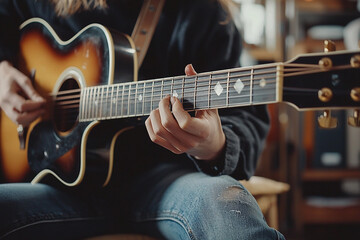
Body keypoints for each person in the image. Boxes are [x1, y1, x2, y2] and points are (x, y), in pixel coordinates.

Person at [0, 0, 285, 239]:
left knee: (226, 204)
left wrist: (213, 144)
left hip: (166, 185)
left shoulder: (204, 12)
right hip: (55, 190)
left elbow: (246, 119)